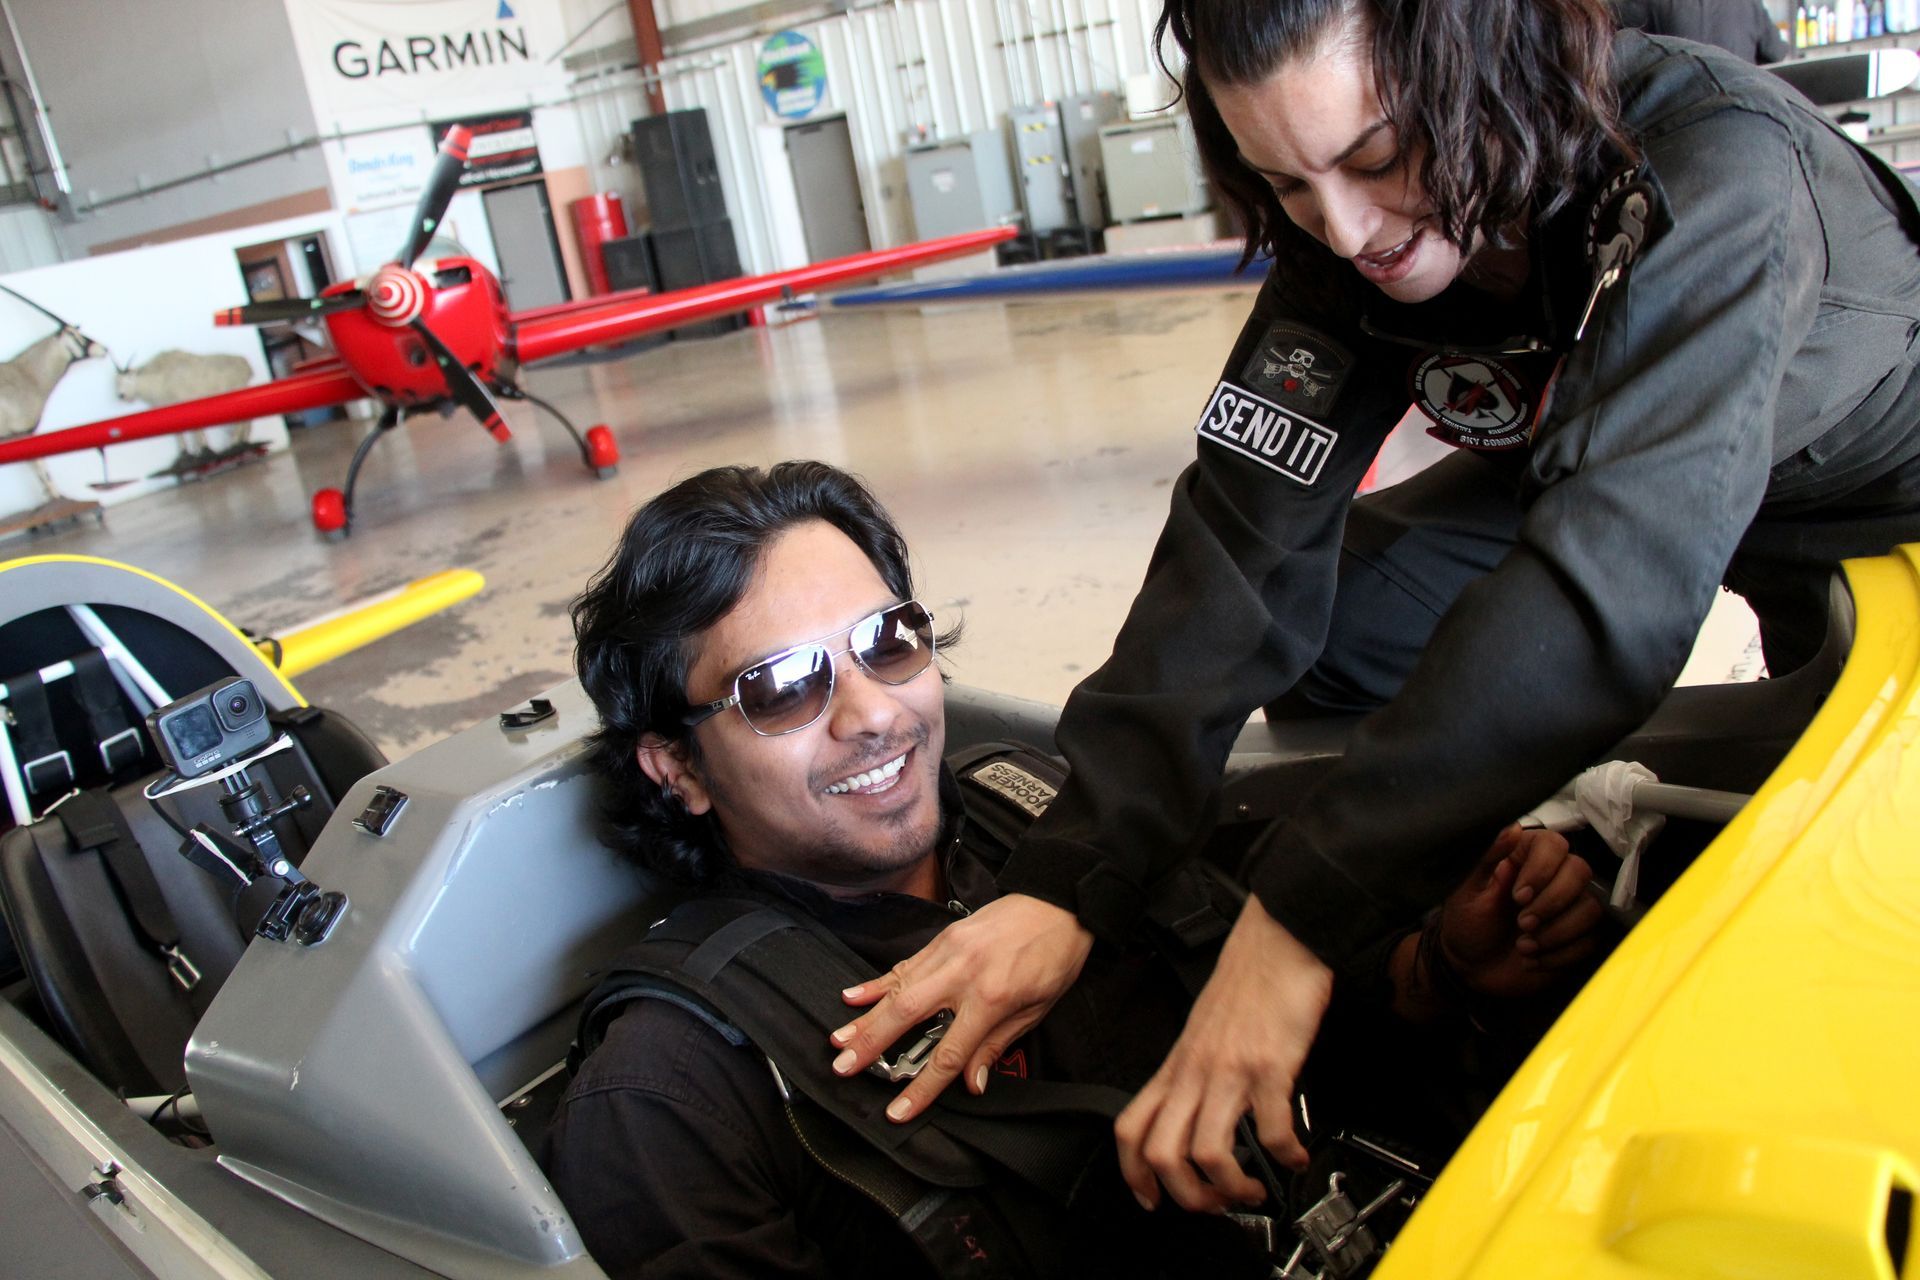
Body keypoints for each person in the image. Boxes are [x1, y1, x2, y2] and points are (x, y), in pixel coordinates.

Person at [823, 0, 1920, 1221]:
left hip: (1868, 497)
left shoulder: (1720, 175)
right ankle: (1483, 820)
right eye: (1283, 181)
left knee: (1852, 893)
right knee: (1336, 632)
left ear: (1488, 70)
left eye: (1378, 158)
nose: (1343, 231)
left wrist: (1298, 919)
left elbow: (1611, 586)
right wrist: (1074, 867)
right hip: (1583, 461)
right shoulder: (1342, 241)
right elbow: (1237, 547)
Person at [544, 461, 1602, 1278]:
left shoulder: (1048, 807)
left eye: (888, 640)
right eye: (780, 687)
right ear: (675, 764)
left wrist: (1444, 969)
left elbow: (1271, 985)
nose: (873, 713)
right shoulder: (667, 1093)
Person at [1613, 0, 1790, 63]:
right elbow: (1775, 53)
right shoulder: (1749, 3)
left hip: (1677, 128)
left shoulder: (1639, 4)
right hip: (1746, 118)